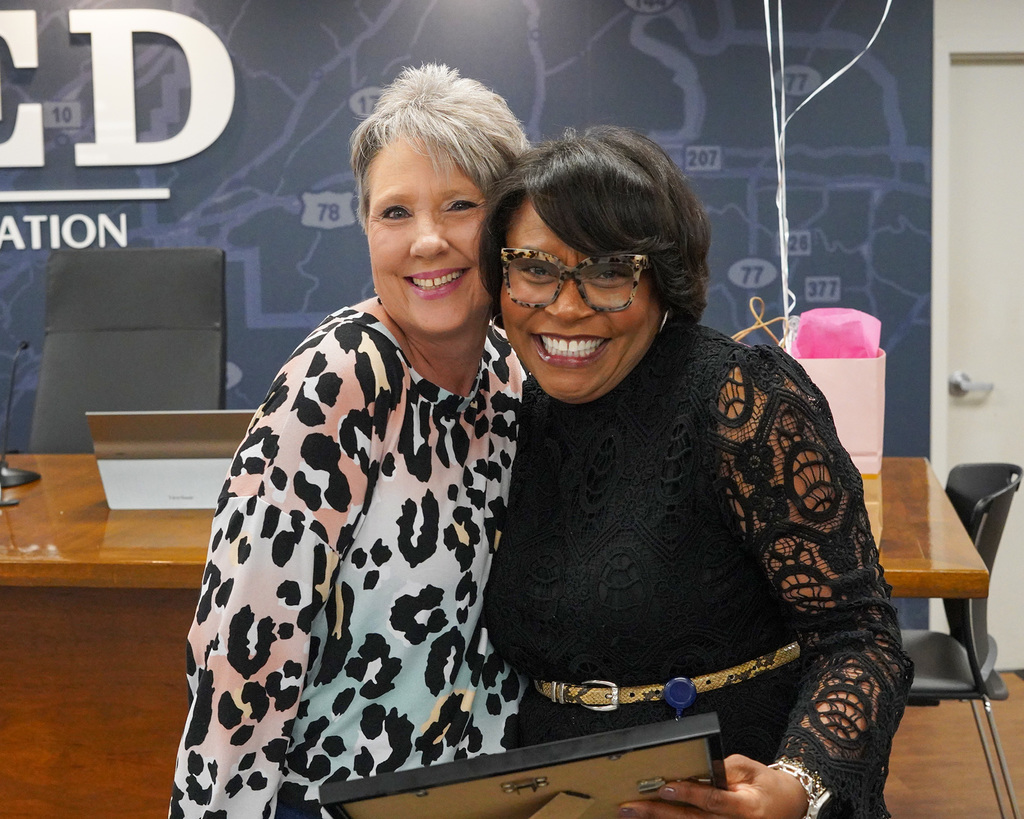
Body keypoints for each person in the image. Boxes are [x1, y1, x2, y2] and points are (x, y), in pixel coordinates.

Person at [480, 126, 912, 819]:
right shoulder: (512, 413)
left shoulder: (741, 402)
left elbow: (861, 640)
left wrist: (797, 784)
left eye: (608, 270)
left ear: (663, 278)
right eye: (535, 267)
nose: (565, 305)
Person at [169, 64, 529, 819]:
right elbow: (244, 650)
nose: (427, 240)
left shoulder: (509, 372)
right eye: (394, 212)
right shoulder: (340, 378)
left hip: (479, 794)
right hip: (331, 802)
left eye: (460, 205)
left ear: (509, 220)